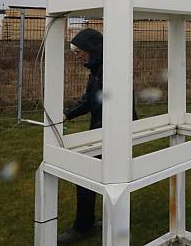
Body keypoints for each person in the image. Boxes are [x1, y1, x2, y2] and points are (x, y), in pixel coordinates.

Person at [57, 28, 139, 244]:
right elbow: (89, 100)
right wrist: (67, 114)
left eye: (79, 51)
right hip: (103, 130)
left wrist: (103, 136)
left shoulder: (109, 71)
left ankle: (85, 227)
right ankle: (107, 221)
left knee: (89, 175)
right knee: (104, 177)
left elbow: (117, 105)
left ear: (92, 49)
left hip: (113, 133)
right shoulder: (97, 70)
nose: (77, 56)